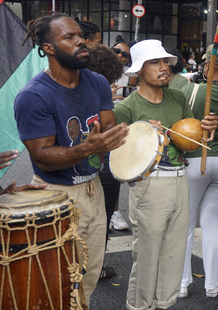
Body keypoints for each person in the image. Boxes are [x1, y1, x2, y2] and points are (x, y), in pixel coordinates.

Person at [14, 13, 129, 304]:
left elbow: (108, 130)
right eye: (69, 37)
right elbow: (42, 157)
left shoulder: (98, 84)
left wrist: (138, 136)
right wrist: (87, 148)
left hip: (94, 188)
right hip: (56, 194)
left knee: (88, 275)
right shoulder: (33, 96)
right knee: (61, 280)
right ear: (48, 48)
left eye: (79, 35)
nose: (80, 41)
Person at [113, 39, 216, 310]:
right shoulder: (126, 108)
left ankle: (165, 304)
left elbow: (189, 140)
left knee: (174, 252)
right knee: (147, 256)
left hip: (181, 179)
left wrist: (205, 128)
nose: (164, 68)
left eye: (165, 62)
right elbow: (116, 158)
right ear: (138, 71)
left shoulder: (178, 97)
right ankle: (139, 306)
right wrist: (142, 132)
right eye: (155, 63)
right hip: (149, 185)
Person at [179, 44, 218, 299]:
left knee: (185, 225)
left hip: (194, 160)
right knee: (214, 225)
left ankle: (181, 282)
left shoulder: (190, 89)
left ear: (208, 65)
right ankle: (212, 284)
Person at [87, 42, 126, 279]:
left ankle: (90, 266)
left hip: (96, 168)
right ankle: (95, 265)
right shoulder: (100, 95)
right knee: (102, 218)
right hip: (100, 167)